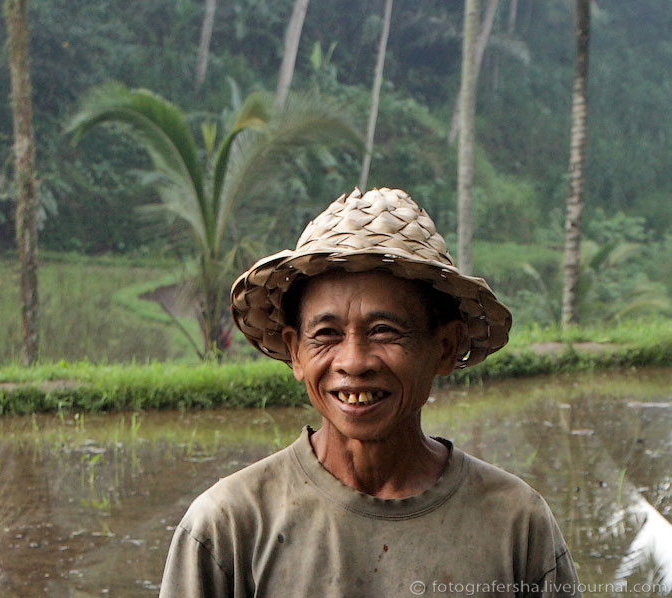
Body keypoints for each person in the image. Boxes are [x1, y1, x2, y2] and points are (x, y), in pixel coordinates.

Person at [158, 188, 581, 597]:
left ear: (445, 349)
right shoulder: (229, 526)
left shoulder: (515, 523)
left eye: (385, 331)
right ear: (296, 353)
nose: (354, 361)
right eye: (326, 334)